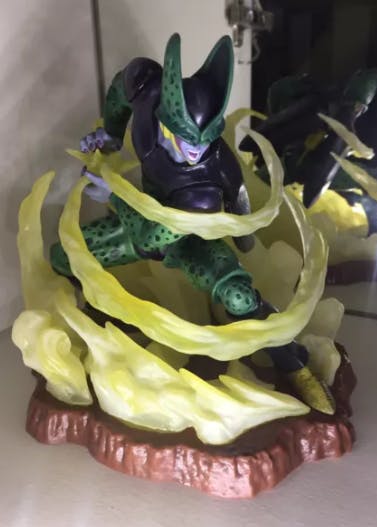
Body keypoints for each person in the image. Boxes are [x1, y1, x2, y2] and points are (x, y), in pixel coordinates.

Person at [50, 33, 334, 414]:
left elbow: (153, 238)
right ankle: (95, 324)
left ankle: (295, 366)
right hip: (141, 215)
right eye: (188, 141)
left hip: (188, 239)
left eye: (205, 142)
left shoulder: (205, 186)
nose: (196, 152)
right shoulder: (146, 87)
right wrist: (112, 132)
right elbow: (120, 88)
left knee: (240, 298)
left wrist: (114, 195)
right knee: (65, 257)